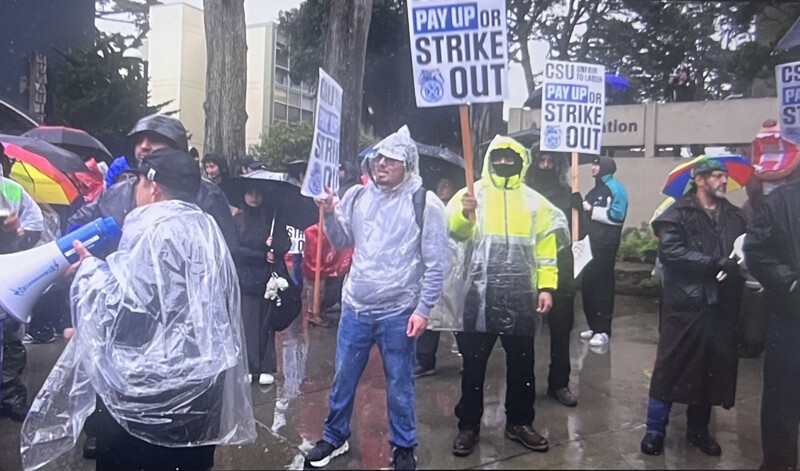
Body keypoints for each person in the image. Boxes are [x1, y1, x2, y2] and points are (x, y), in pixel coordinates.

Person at [20, 148, 256, 471]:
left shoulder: (153, 228)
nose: (135, 192)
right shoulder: (207, 229)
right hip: (201, 393)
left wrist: (89, 271)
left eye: (139, 184)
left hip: (147, 401)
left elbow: (126, 308)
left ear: (154, 188)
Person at [303, 126, 448, 470]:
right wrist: (328, 214)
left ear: (407, 165)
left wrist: (423, 309)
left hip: (399, 312)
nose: (382, 163)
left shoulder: (425, 203)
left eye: (391, 159)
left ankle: (404, 447)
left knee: (400, 383)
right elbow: (342, 241)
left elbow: (437, 262)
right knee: (344, 378)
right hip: (356, 308)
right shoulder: (358, 197)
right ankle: (334, 436)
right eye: (379, 158)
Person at [446, 136, 569, 457]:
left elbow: (546, 249)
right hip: (478, 296)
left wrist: (547, 286)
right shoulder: (471, 194)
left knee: (522, 365)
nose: (503, 163)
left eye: (509, 158)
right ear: (489, 160)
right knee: (473, 366)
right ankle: (468, 426)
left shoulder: (534, 202)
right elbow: (454, 235)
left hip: (520, 296)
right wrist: (464, 214)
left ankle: (519, 422)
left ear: (521, 162)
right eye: (497, 158)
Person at [640, 159, 746, 457]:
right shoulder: (676, 214)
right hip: (685, 305)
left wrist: (738, 262)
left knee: (709, 370)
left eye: (725, 176)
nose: (723, 181)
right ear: (699, 180)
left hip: (720, 305)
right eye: (717, 176)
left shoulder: (735, 216)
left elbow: (743, 248)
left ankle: (698, 430)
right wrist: (713, 263)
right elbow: (671, 252)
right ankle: (655, 430)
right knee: (670, 368)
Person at [69, 114, 239, 252]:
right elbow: (78, 225)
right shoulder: (118, 192)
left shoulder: (207, 194)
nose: (144, 146)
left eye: (154, 139)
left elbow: (226, 250)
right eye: (139, 140)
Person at [743, 173, 800, 470]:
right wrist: (789, 282)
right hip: (791, 321)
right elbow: (756, 250)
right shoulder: (781, 201)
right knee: (782, 404)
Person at [527, 151, 580, 407]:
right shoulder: (524, 194)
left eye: (550, 161)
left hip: (562, 272)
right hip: (528, 272)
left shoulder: (568, 194)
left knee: (561, 332)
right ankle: (524, 384)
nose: (546, 166)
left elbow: (578, 235)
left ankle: (559, 383)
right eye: (541, 161)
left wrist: (579, 211)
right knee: (524, 334)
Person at [234, 186, 291, 386]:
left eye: (258, 193)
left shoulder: (271, 220)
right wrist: (261, 253)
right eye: (250, 192)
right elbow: (235, 249)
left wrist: (274, 245)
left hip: (268, 280)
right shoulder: (238, 221)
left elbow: (285, 245)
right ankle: (249, 367)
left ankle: (266, 366)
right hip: (246, 279)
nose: (254, 197)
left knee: (266, 324)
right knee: (248, 322)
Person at [0, 172, 43, 423]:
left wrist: (17, 233)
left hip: (7, 275)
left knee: (10, 338)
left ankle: (10, 397)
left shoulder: (11, 190)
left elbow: (35, 226)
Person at [580, 156, 628, 347]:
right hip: (590, 245)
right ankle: (593, 326)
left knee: (603, 287)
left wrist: (591, 210)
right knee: (588, 285)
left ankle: (603, 330)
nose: (592, 167)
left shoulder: (616, 188)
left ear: (606, 167)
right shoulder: (594, 190)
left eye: (596, 164)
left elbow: (618, 215)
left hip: (606, 246)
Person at [415, 175, 456, 377]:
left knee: (457, 317)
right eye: (439, 185)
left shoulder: (460, 205)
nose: (442, 189)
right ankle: (425, 360)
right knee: (430, 315)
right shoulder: (428, 206)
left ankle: (466, 358)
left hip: (455, 271)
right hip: (434, 271)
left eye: (446, 184)